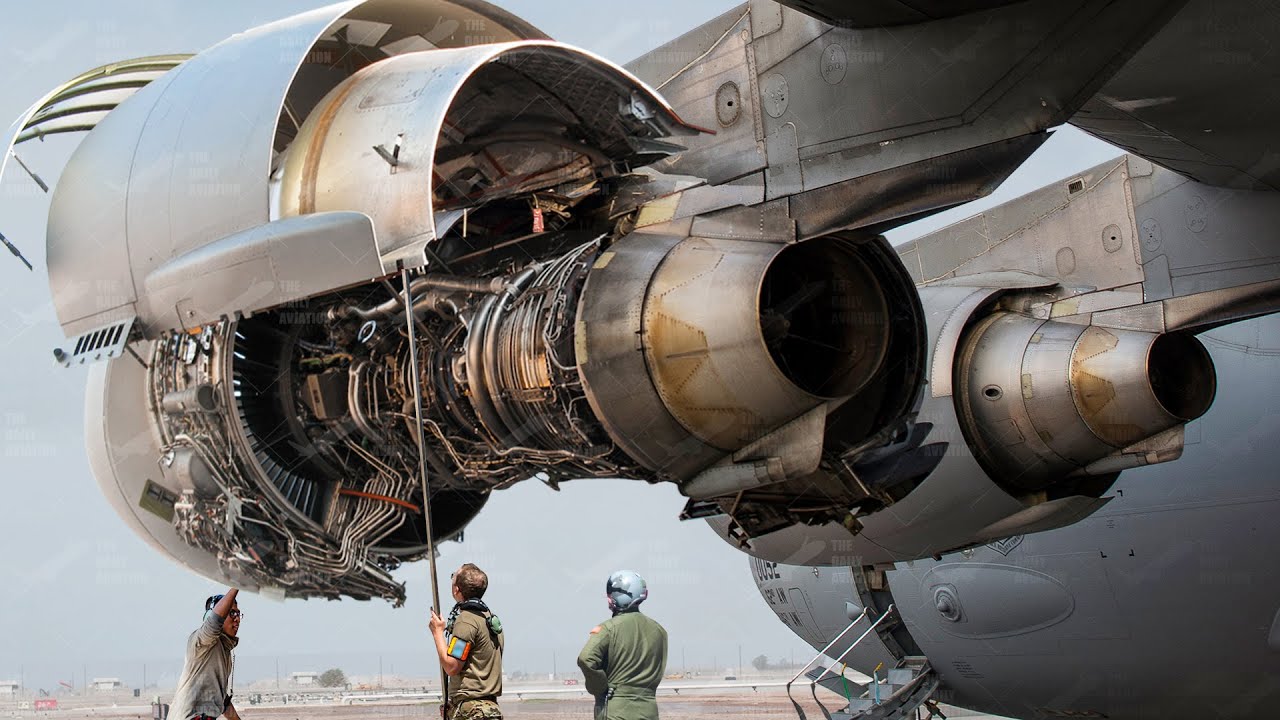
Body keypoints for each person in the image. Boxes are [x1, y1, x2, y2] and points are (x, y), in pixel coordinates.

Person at [577, 570, 669, 720]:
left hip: (616, 710)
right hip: (649, 710)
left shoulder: (607, 629)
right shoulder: (659, 631)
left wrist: (600, 688)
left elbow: (586, 659)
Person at [429, 564, 505, 719]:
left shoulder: (466, 622)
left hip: (473, 710)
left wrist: (437, 633)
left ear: (457, 589)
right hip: (489, 708)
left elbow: (452, 666)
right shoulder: (489, 619)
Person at [171, 588, 241, 720]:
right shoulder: (201, 641)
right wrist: (236, 585)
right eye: (232, 613)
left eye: (238, 614)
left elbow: (222, 701)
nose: (237, 619)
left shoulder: (224, 651)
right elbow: (214, 623)